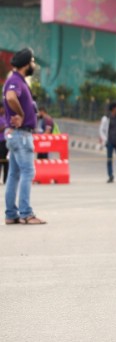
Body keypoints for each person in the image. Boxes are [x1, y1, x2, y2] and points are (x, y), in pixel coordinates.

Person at [3, 48, 45, 225]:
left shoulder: (17, 80)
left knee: (14, 174)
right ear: (27, 64)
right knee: (28, 172)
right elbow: (11, 97)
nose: (34, 65)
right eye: (33, 61)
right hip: (21, 135)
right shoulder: (15, 81)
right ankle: (26, 213)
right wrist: (20, 113)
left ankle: (11, 214)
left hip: (16, 135)